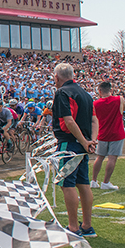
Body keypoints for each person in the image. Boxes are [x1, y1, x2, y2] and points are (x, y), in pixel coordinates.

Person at [51, 63, 98, 237]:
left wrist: (85, 141)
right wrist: (91, 140)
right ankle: (87, 226)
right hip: (82, 144)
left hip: (69, 143)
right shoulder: (86, 94)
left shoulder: (62, 93)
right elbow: (94, 120)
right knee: (83, 184)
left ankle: (73, 228)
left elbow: (69, 121)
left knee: (67, 184)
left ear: (57, 77)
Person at [91, 81, 125, 191]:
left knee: (99, 157)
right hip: (116, 133)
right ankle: (106, 182)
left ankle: (94, 181)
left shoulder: (95, 104)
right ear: (110, 89)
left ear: (99, 91)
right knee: (112, 158)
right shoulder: (119, 99)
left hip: (102, 133)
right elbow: (121, 111)